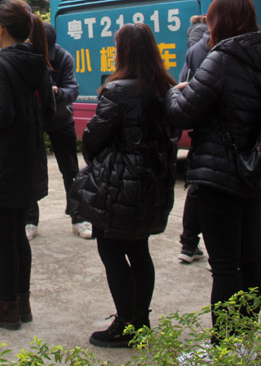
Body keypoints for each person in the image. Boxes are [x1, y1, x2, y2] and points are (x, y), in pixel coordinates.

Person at [165, 0, 261, 343]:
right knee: (252, 260)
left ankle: (224, 347)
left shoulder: (220, 59)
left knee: (225, 266)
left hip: (220, 175)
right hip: (258, 169)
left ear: (220, 22)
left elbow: (182, 113)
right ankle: (244, 341)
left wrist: (174, 91)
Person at [77, 23, 176, 348]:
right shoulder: (165, 87)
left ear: (123, 52)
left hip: (120, 186)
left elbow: (93, 139)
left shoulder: (117, 90)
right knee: (139, 249)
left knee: (111, 249)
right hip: (154, 182)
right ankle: (140, 320)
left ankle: (124, 323)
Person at [0, 0, 55, 330]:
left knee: (4, 239)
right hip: (28, 158)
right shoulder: (37, 61)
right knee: (18, 235)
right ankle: (21, 302)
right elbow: (49, 110)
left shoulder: (1, 65)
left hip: (3, 162)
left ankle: (7, 307)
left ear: (0, 29)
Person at [25, 24, 88, 240]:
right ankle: (30, 220)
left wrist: (57, 92)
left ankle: (78, 218)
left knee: (71, 170)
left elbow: (73, 89)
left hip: (60, 119)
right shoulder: (24, 57)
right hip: (33, 121)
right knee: (31, 169)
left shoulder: (63, 57)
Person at [176, 22, 210, 264]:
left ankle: (188, 244)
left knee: (197, 188)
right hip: (241, 139)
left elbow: (184, 91)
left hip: (204, 132)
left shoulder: (197, 51)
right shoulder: (255, 45)